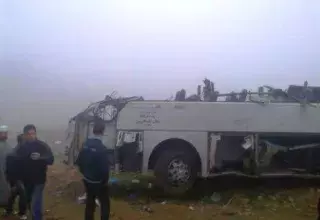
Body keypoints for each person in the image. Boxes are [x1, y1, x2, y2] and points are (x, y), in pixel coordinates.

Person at [15, 124, 54, 220]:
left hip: (39, 180)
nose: (31, 136)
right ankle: (32, 215)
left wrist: (40, 158)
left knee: (36, 202)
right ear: (24, 135)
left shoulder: (42, 146)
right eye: (29, 134)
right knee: (28, 200)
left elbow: (51, 159)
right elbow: (16, 161)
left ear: (36, 134)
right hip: (26, 180)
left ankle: (37, 217)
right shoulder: (21, 147)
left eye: (33, 133)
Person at [76, 120, 110, 220]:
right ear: (103, 131)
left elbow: (79, 162)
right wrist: (104, 182)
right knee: (105, 204)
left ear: (93, 130)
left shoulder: (85, 144)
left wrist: (85, 175)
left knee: (90, 204)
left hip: (87, 180)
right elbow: (104, 169)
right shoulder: (102, 148)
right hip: (99, 182)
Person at [3, 134, 27, 220]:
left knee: (14, 193)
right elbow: (10, 168)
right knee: (23, 194)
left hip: (18, 177)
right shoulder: (16, 153)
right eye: (25, 140)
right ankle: (22, 213)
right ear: (21, 141)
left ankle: (8, 210)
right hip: (17, 177)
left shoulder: (20, 151)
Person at [0, 125, 12, 208]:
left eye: (5, 133)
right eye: (2, 133)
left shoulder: (8, 145)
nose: (4, 135)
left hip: (6, 173)